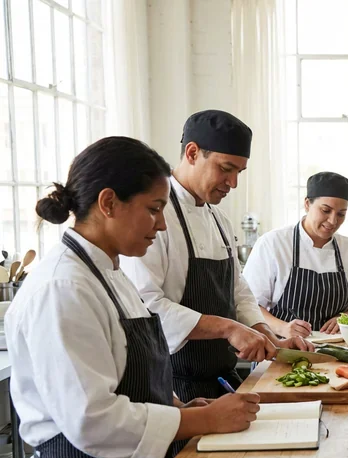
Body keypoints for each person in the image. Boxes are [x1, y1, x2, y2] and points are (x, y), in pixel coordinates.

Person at [6, 137, 261, 458]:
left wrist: (177, 404)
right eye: (154, 210)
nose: (161, 225)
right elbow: (92, 420)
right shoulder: (63, 287)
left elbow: (130, 369)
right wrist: (199, 419)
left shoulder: (109, 271)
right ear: (108, 203)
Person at [121, 110, 311, 408]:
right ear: (193, 152)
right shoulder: (155, 218)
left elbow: (238, 291)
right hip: (172, 388)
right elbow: (147, 306)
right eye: (226, 168)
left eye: (239, 172)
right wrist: (229, 328)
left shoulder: (219, 218)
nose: (233, 183)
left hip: (223, 380)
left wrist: (265, 334)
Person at [243, 172, 348, 337]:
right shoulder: (273, 244)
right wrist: (283, 328)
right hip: (280, 347)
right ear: (307, 204)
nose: (333, 221)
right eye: (326, 210)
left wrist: (345, 318)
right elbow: (249, 305)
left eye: (341, 214)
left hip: (335, 349)